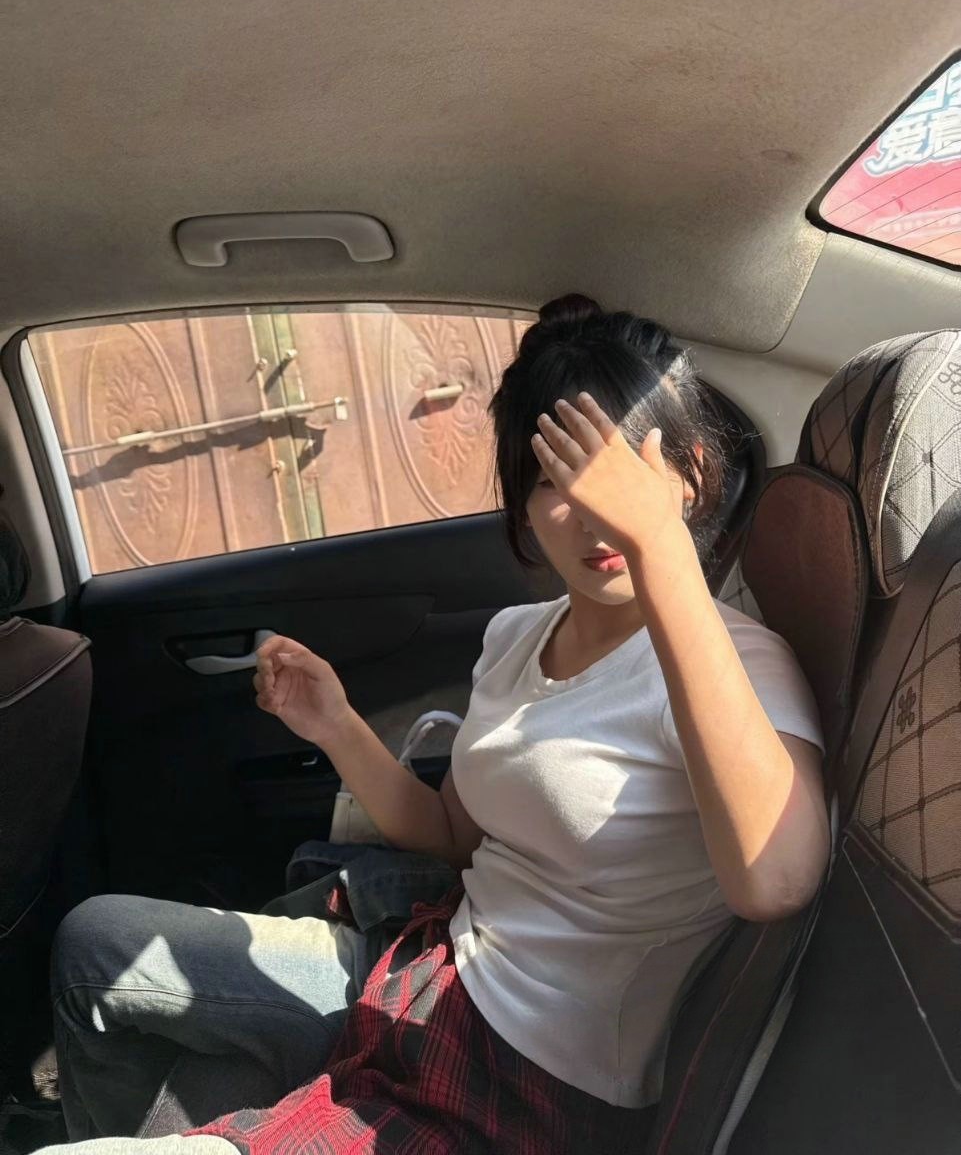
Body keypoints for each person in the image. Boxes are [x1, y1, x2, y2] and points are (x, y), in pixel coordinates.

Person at [42, 296, 829, 1155]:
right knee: (95, 947)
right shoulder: (517, 636)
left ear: (692, 475)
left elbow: (774, 882)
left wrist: (661, 549)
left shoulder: (736, 665)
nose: (591, 511)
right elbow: (452, 834)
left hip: (524, 1080)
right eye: (552, 481)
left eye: (616, 474)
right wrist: (336, 725)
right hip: (423, 971)